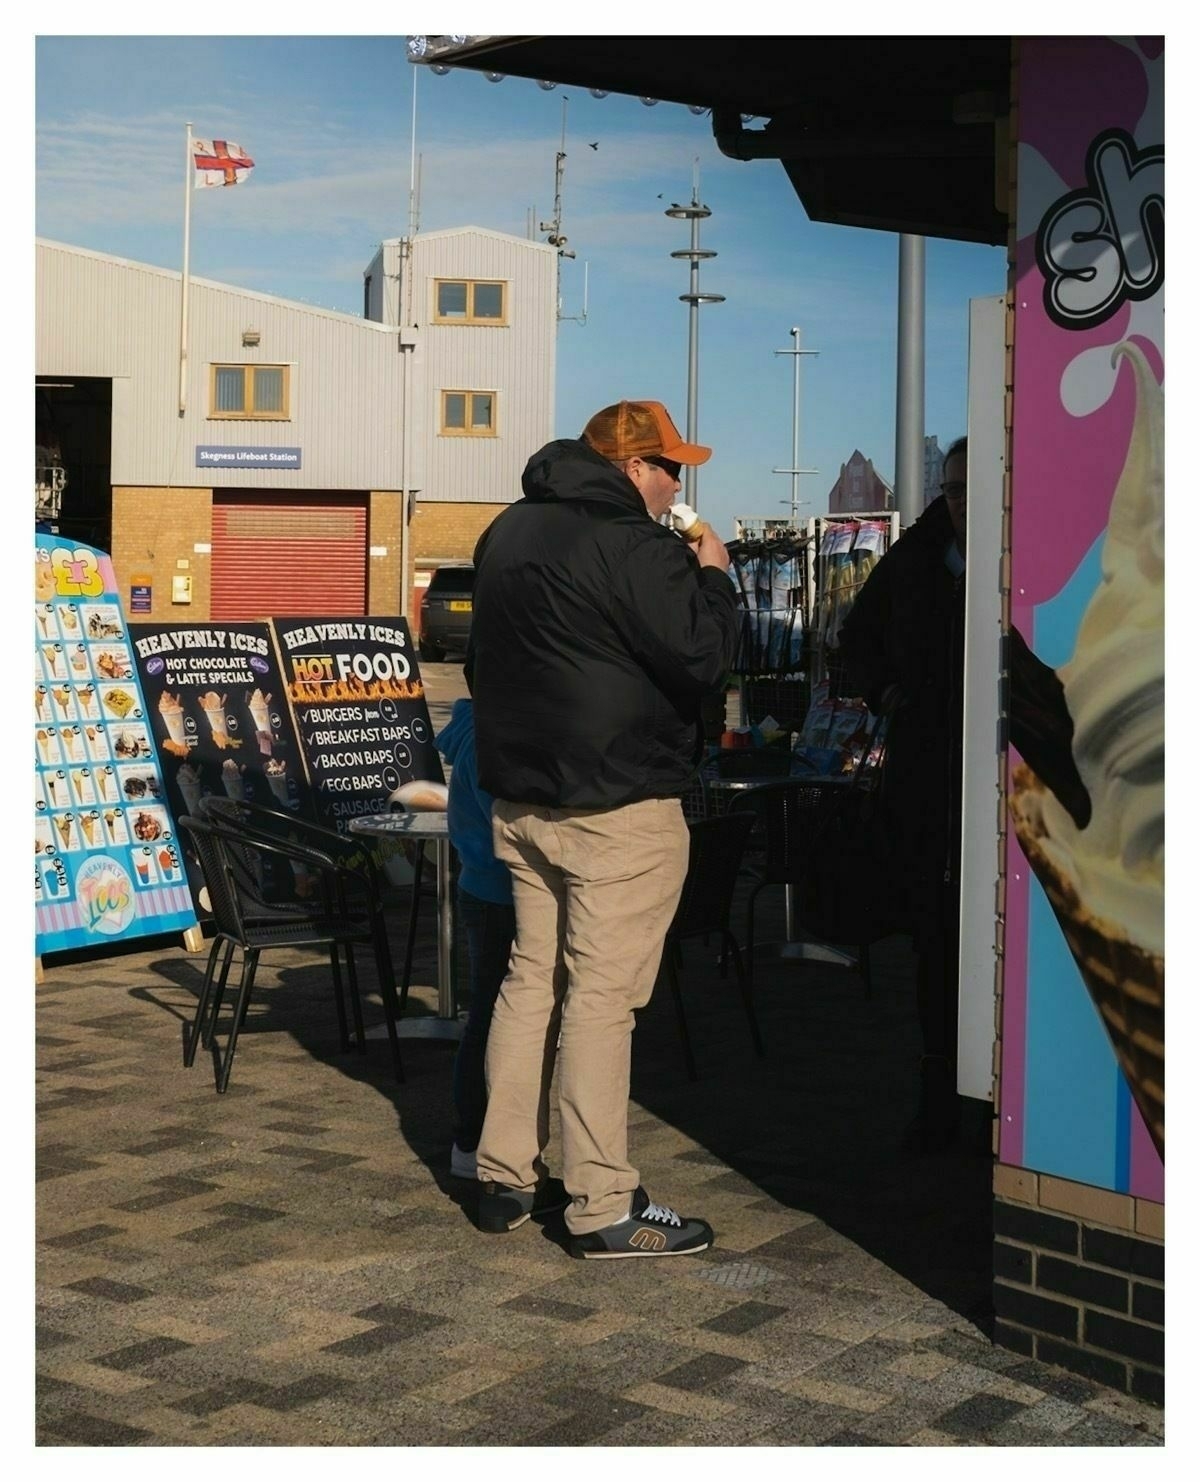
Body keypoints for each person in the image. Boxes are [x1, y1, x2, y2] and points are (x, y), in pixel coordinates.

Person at [465, 399, 739, 1258]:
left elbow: (482, 664)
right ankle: (600, 1204)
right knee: (600, 1000)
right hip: (617, 804)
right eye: (670, 469)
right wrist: (714, 576)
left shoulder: (507, 532)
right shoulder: (636, 544)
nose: (676, 485)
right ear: (632, 468)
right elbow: (704, 656)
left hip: (524, 800)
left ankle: (502, 1176)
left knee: (530, 981)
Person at [837, 436, 969, 1151]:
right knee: (935, 940)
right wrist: (891, 693)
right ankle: (938, 1093)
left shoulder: (1027, 551)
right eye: (951, 487)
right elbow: (855, 638)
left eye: (973, 488)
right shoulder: (919, 558)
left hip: (999, 777)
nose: (961, 501)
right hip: (926, 777)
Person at [434, 698, 524, 1183]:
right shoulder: (492, 736)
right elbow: (511, 824)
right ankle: (471, 1138)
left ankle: (474, 1137)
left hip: (481, 884)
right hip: (499, 893)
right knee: (489, 1018)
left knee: (489, 1016)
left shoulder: (473, 727)